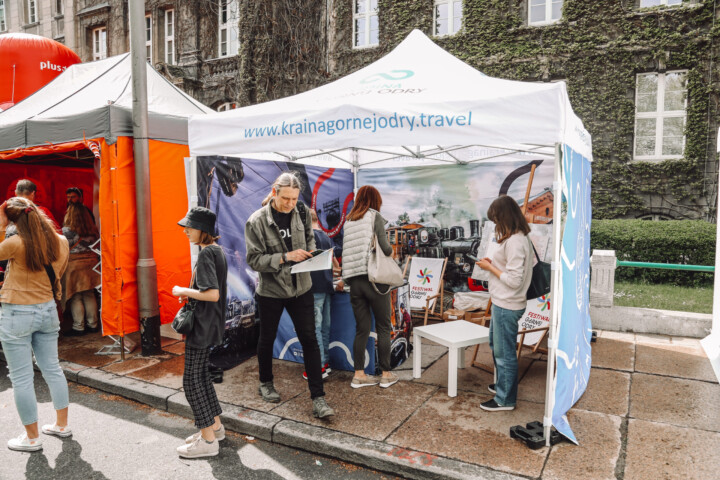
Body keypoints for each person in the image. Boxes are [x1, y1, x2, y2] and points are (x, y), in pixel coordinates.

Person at [245, 172, 335, 419]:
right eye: (286, 198)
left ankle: (318, 399)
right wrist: (285, 257)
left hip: (301, 287)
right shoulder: (256, 221)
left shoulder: (304, 213)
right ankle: (265, 382)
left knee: (310, 340)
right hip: (272, 290)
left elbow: (308, 244)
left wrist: (313, 255)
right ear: (275, 192)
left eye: (294, 199)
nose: (290, 204)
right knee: (267, 338)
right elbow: (253, 260)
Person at [0, 197, 71, 452]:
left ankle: (31, 439)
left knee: (21, 378)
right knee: (52, 368)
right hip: (48, 309)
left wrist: (1, 224)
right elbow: (58, 273)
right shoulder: (61, 242)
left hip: (17, 312)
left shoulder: (15, 243)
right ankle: (61, 426)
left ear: (13, 219)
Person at [171, 206, 228, 458]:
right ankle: (215, 427)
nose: (185, 231)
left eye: (190, 227)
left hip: (202, 325)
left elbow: (212, 294)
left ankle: (207, 441)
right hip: (210, 323)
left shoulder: (206, 254)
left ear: (202, 229)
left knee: (191, 382)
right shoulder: (217, 250)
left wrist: (182, 290)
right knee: (202, 377)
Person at [475, 195, 533, 412]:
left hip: (508, 304)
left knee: (504, 352)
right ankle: (504, 385)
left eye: (497, 220)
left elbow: (514, 280)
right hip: (504, 302)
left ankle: (505, 399)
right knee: (497, 347)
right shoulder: (517, 237)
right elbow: (509, 269)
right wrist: (493, 263)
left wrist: (491, 268)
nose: (496, 224)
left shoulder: (516, 241)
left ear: (504, 217)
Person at [341, 185, 397, 389]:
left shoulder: (348, 221)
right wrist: (391, 252)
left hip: (354, 281)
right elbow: (385, 248)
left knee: (361, 329)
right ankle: (386, 374)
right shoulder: (374, 216)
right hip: (375, 279)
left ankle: (359, 375)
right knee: (383, 327)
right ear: (375, 201)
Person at [307, 208, 340, 380]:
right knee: (324, 328)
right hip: (327, 286)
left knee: (315, 329)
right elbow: (334, 265)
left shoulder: (309, 237)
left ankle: (318, 367)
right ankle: (324, 363)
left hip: (314, 287)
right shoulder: (327, 237)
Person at [61, 202, 100, 335]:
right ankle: (93, 324)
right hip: (91, 263)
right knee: (89, 293)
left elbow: (63, 248)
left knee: (76, 295)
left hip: (74, 265)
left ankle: (79, 327)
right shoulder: (92, 229)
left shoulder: (67, 230)